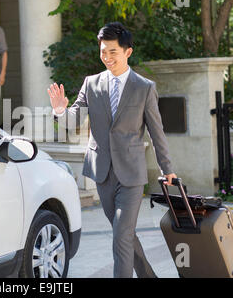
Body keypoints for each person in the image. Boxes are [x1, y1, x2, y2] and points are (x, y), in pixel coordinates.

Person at [47, 22, 178, 278]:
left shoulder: (144, 88)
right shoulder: (91, 84)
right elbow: (74, 122)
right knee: (125, 236)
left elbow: (156, 131)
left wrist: (167, 168)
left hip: (131, 175)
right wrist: (60, 110)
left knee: (120, 237)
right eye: (103, 51)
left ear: (128, 52)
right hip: (103, 173)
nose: (106, 57)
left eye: (113, 52)